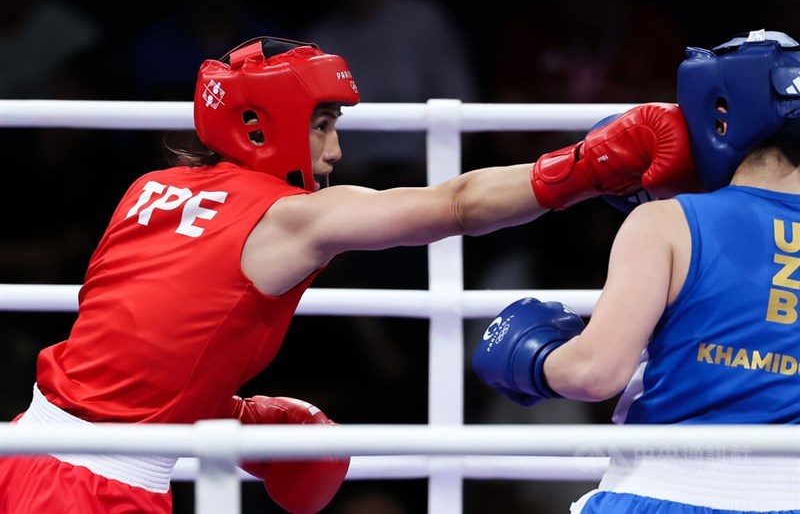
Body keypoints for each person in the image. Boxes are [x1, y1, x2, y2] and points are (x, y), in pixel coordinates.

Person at [0, 34, 699, 514]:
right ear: (258, 124)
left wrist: (231, 413)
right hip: (91, 487)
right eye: (323, 124)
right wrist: (589, 165)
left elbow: (136, 343)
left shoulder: (147, 189)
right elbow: (454, 205)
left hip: (24, 447)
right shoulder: (288, 219)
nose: (335, 149)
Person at [473, 29, 800, 514]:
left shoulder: (667, 222)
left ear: (721, 111)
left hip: (664, 489)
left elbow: (595, 372)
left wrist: (531, 359)